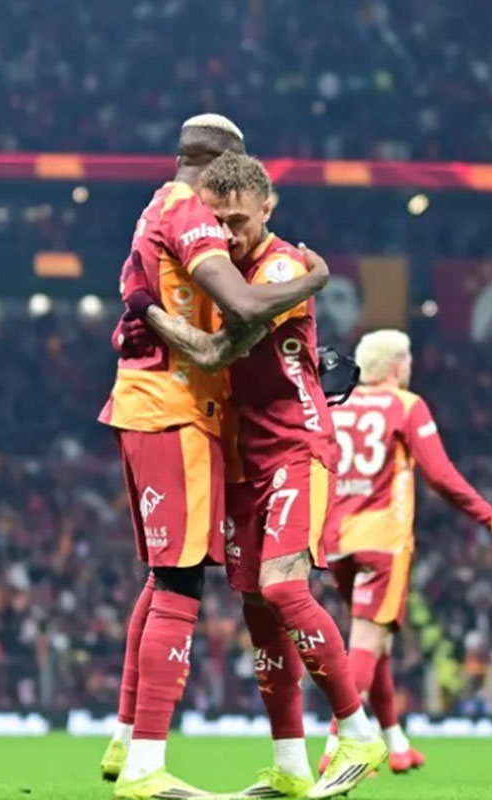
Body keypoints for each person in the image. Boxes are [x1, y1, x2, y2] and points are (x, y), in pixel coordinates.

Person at [97, 116, 330, 800]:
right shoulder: (188, 213)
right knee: (179, 583)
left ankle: (125, 741)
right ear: (219, 161)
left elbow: (146, 303)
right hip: (175, 410)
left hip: (147, 404)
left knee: (161, 577)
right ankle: (146, 765)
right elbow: (245, 304)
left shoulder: (153, 208)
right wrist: (314, 279)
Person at [320, 329, 492, 774]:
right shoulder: (407, 405)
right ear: (396, 365)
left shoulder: (338, 405)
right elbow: (440, 474)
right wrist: (488, 515)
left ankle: (396, 743)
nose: (410, 367)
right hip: (382, 540)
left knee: (378, 643)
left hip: (337, 542)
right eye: (407, 360)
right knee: (366, 643)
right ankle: (337, 747)